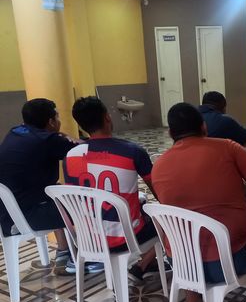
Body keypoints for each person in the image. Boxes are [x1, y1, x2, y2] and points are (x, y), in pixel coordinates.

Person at [152, 103, 246, 302]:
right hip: (230, 261)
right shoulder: (228, 148)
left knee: (185, 235)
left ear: (170, 133)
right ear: (204, 127)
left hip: (182, 265)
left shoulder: (158, 166)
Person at [65, 96, 163, 281]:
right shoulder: (132, 151)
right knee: (168, 221)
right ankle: (141, 265)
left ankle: (146, 264)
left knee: (139, 207)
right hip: (124, 239)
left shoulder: (70, 156)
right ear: (107, 117)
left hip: (89, 239)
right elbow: (158, 192)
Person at [0, 98, 85, 275]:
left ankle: (63, 250)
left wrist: (58, 136)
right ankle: (81, 256)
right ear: (51, 122)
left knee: (55, 192)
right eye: (57, 117)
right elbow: (83, 149)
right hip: (29, 217)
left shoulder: (14, 132)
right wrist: (65, 137)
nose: (59, 120)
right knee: (83, 204)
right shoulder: (48, 141)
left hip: (7, 215)